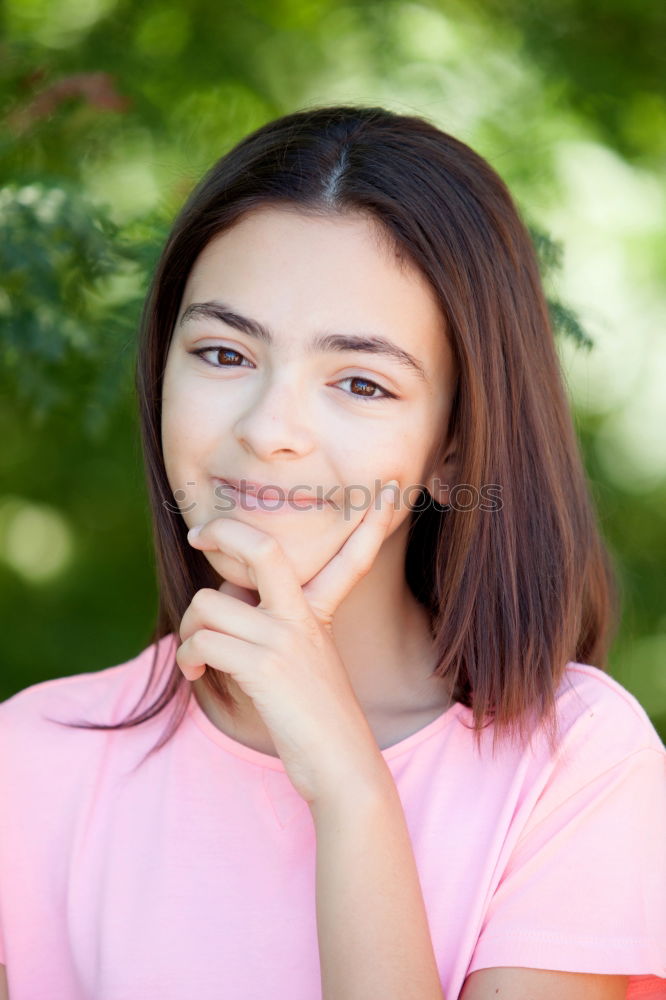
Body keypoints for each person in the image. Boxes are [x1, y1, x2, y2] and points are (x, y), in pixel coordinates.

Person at [0, 105, 664, 1000]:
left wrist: (352, 795)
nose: (271, 429)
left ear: (456, 445)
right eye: (225, 353)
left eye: (361, 382)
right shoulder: (32, 759)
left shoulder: (575, 765)